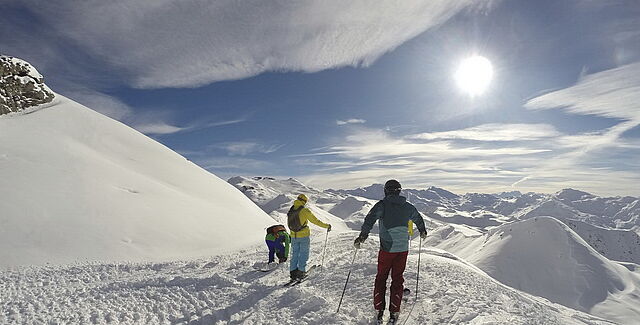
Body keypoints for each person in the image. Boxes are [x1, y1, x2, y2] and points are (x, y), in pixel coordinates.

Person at [353, 180, 427, 324]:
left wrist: (362, 237)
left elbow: (369, 219)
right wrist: (422, 230)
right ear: (399, 191)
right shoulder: (407, 206)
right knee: (397, 278)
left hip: (387, 249)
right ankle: (394, 311)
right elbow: (418, 218)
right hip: (403, 249)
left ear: (386, 191)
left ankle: (379, 310)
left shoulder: (382, 205)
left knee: (381, 278)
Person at [287, 194, 332, 281]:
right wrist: (326, 226)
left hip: (293, 236)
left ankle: (293, 273)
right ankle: (301, 272)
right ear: (304, 201)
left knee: (294, 254)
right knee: (303, 254)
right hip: (303, 236)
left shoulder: (291, 210)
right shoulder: (304, 211)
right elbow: (316, 221)